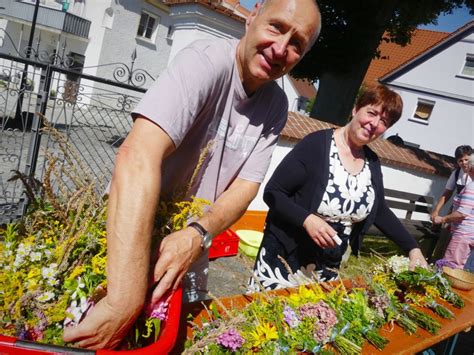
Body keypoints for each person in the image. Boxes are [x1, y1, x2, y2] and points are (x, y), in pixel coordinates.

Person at [62, 0, 322, 349]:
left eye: (296, 44)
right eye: (276, 27)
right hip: (128, 241)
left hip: (188, 249)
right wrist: (124, 297)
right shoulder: (205, 62)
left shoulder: (276, 105)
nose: (280, 48)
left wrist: (198, 233)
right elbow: (138, 156)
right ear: (253, 15)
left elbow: (246, 187)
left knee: (165, 341)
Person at [249, 85, 428, 291]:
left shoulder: (372, 162)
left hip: (327, 265)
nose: (375, 124)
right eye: (372, 113)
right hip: (286, 258)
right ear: (355, 109)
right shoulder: (316, 146)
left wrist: (413, 248)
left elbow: (379, 210)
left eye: (384, 122)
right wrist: (307, 219)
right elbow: (273, 193)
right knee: (269, 319)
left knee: (313, 320)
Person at [433, 154, 474, 270]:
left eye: (468, 163)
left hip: (463, 235)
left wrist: (443, 219)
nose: (465, 165)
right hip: (471, 235)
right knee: (463, 271)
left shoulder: (471, 187)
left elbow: (462, 213)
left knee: (449, 269)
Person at [431, 145, 472, 222]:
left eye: (466, 159)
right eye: (461, 161)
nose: (464, 163)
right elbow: (447, 193)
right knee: (445, 231)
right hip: (457, 210)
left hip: (470, 212)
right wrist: (436, 210)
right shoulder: (456, 174)